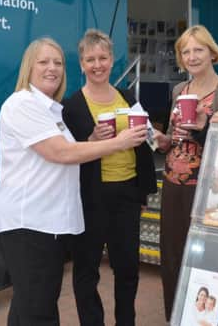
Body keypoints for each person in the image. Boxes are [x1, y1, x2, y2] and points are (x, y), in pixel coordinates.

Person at [0, 37, 148, 326]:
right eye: (44, 62)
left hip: (48, 223)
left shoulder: (50, 109)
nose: (52, 68)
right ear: (29, 67)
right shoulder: (22, 104)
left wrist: (93, 142)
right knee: (37, 310)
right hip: (29, 224)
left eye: (58, 63)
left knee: (33, 306)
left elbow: (70, 152)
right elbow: (60, 152)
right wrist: (118, 142)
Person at [62, 29, 157, 326]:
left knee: (127, 267)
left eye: (103, 57)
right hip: (90, 197)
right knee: (87, 269)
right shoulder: (72, 105)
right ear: (81, 64)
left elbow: (145, 145)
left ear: (112, 60)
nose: (97, 64)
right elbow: (67, 153)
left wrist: (143, 193)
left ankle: (125, 322)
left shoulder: (128, 98)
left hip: (127, 194)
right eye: (90, 59)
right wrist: (91, 138)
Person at [152, 25, 218, 321]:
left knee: (207, 256)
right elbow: (174, 135)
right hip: (173, 184)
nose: (192, 56)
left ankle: (205, 316)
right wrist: (163, 141)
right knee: (171, 256)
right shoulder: (178, 90)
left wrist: (202, 130)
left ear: (212, 53)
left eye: (198, 49)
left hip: (207, 187)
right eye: (185, 51)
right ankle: (174, 315)